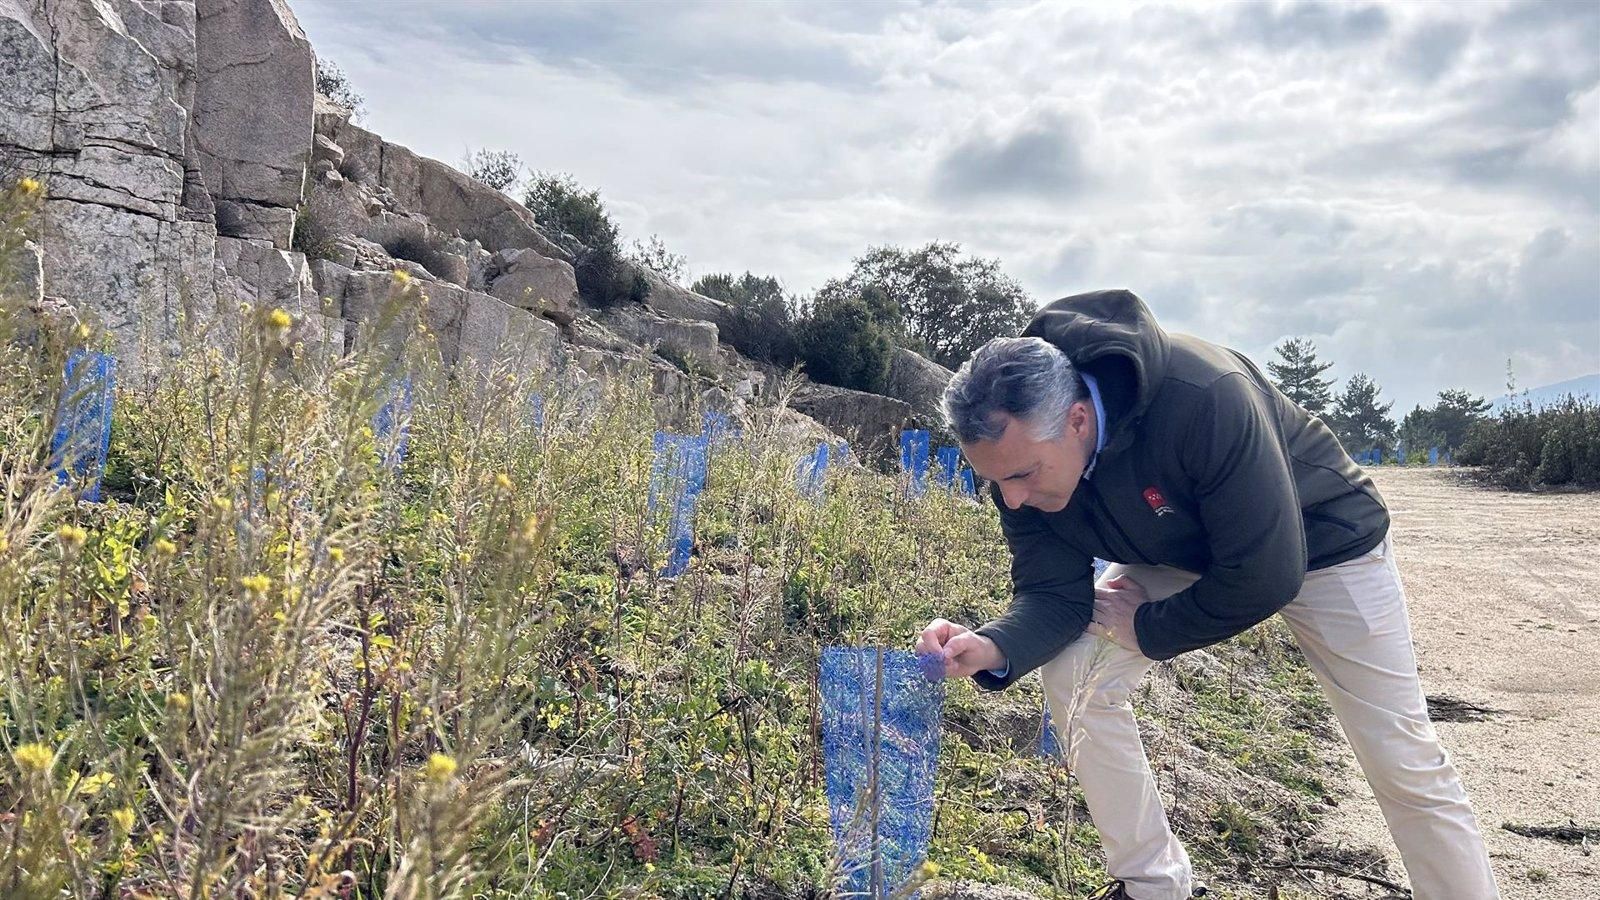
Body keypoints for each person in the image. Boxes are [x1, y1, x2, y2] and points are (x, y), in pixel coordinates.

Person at [915, 290, 1499, 900]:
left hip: (1321, 544)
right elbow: (1054, 594)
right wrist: (991, 644)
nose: (1010, 499)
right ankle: (1152, 886)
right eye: (995, 481)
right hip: (1180, 548)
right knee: (1074, 666)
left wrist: (1149, 627)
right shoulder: (1022, 469)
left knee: (1398, 755)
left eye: (1021, 476)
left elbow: (1266, 574)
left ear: (1078, 421)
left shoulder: (1205, 396)